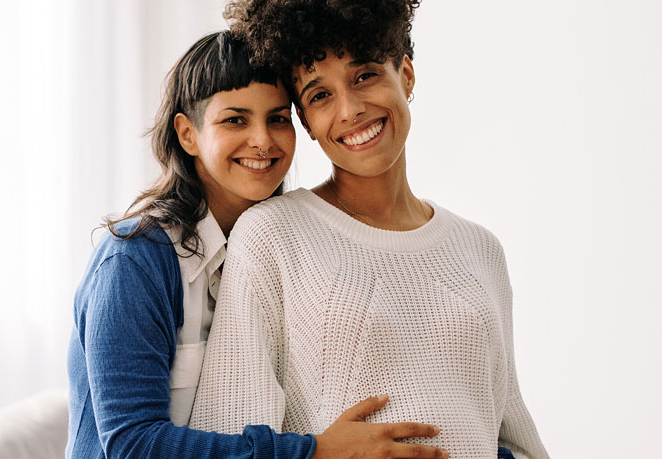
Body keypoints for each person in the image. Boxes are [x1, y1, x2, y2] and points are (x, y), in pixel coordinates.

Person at [189, 2, 550, 459]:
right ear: (307, 123)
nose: (351, 110)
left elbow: (511, 435)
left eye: (365, 76)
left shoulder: (480, 249)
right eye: (320, 95)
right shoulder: (271, 235)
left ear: (407, 75)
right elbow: (229, 430)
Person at [66, 30, 448, 459]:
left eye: (278, 118)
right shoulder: (135, 261)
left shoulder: (281, 248)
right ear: (187, 134)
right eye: (235, 120)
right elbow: (132, 446)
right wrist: (314, 452)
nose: (262, 140)